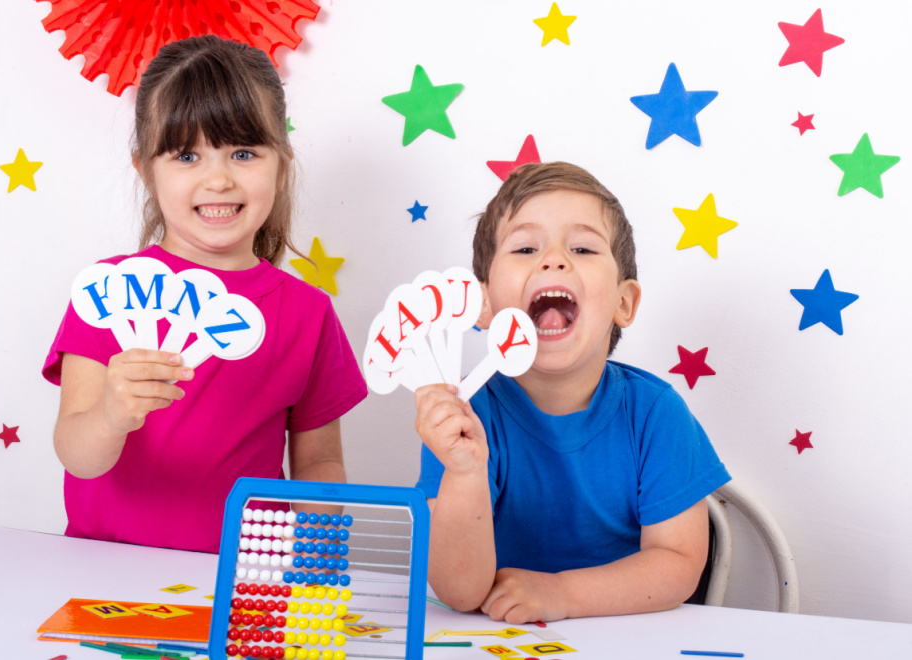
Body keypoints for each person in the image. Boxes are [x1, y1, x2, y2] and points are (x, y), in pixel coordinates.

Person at [42, 36, 367, 553]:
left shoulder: (308, 314)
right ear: (146, 171)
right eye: (187, 155)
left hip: (240, 582)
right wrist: (110, 414)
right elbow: (77, 453)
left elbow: (319, 462)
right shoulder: (109, 295)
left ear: (280, 165)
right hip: (101, 572)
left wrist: (315, 550)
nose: (217, 179)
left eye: (242, 153)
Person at [413, 162, 730, 623]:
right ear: (481, 306)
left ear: (624, 302)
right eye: (525, 247)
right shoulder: (460, 421)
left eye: (582, 247)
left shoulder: (658, 414)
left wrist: (562, 594)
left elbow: (678, 566)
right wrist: (463, 471)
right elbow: (459, 593)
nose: (554, 259)